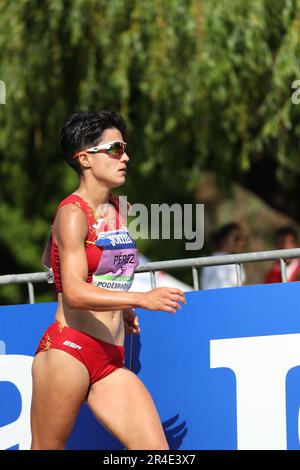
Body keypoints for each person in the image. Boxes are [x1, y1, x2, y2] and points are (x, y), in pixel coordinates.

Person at [30, 110, 186, 450]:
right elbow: (72, 292)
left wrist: (121, 308)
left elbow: (57, 261)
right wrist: (140, 300)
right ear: (85, 159)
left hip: (110, 357)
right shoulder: (72, 214)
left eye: (125, 148)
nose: (126, 157)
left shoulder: (119, 208)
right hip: (69, 350)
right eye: (115, 149)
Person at [201, 222, 246, 290]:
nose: (241, 242)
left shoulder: (234, 260)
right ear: (223, 239)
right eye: (237, 238)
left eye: (242, 238)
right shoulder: (214, 261)